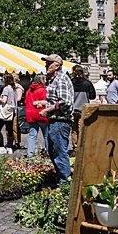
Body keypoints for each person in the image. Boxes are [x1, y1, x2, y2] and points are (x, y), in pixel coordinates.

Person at [43, 53, 75, 185]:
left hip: (60, 121)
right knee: (54, 151)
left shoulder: (61, 79)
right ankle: (62, 179)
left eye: (49, 63)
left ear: (57, 66)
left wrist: (47, 110)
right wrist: (43, 103)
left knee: (59, 151)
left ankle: (65, 183)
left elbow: (65, 102)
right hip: (56, 121)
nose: (46, 65)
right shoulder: (55, 79)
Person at [22, 71, 48, 156]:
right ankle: (48, 152)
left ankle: (30, 153)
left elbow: (26, 101)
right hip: (41, 114)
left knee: (32, 135)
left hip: (30, 114)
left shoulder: (29, 91)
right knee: (46, 135)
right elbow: (45, 102)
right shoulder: (42, 90)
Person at [0, 76, 18, 152]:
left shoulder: (6, 89)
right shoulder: (14, 89)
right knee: (10, 129)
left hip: (5, 111)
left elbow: (4, 101)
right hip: (11, 111)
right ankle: (10, 147)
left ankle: (2, 147)